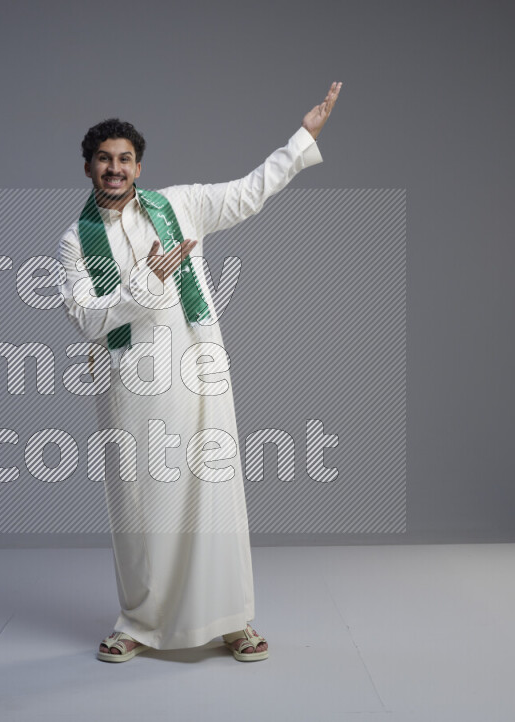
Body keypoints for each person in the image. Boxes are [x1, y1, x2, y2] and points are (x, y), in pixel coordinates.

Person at [57, 82, 342, 662]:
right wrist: (147, 282)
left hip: (198, 367)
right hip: (130, 380)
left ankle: (232, 619)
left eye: (125, 159)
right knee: (138, 504)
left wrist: (304, 135)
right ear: (88, 166)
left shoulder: (179, 205)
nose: (115, 169)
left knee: (215, 496)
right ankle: (139, 622)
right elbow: (89, 319)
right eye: (105, 159)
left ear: (139, 166)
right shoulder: (71, 244)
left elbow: (248, 192)